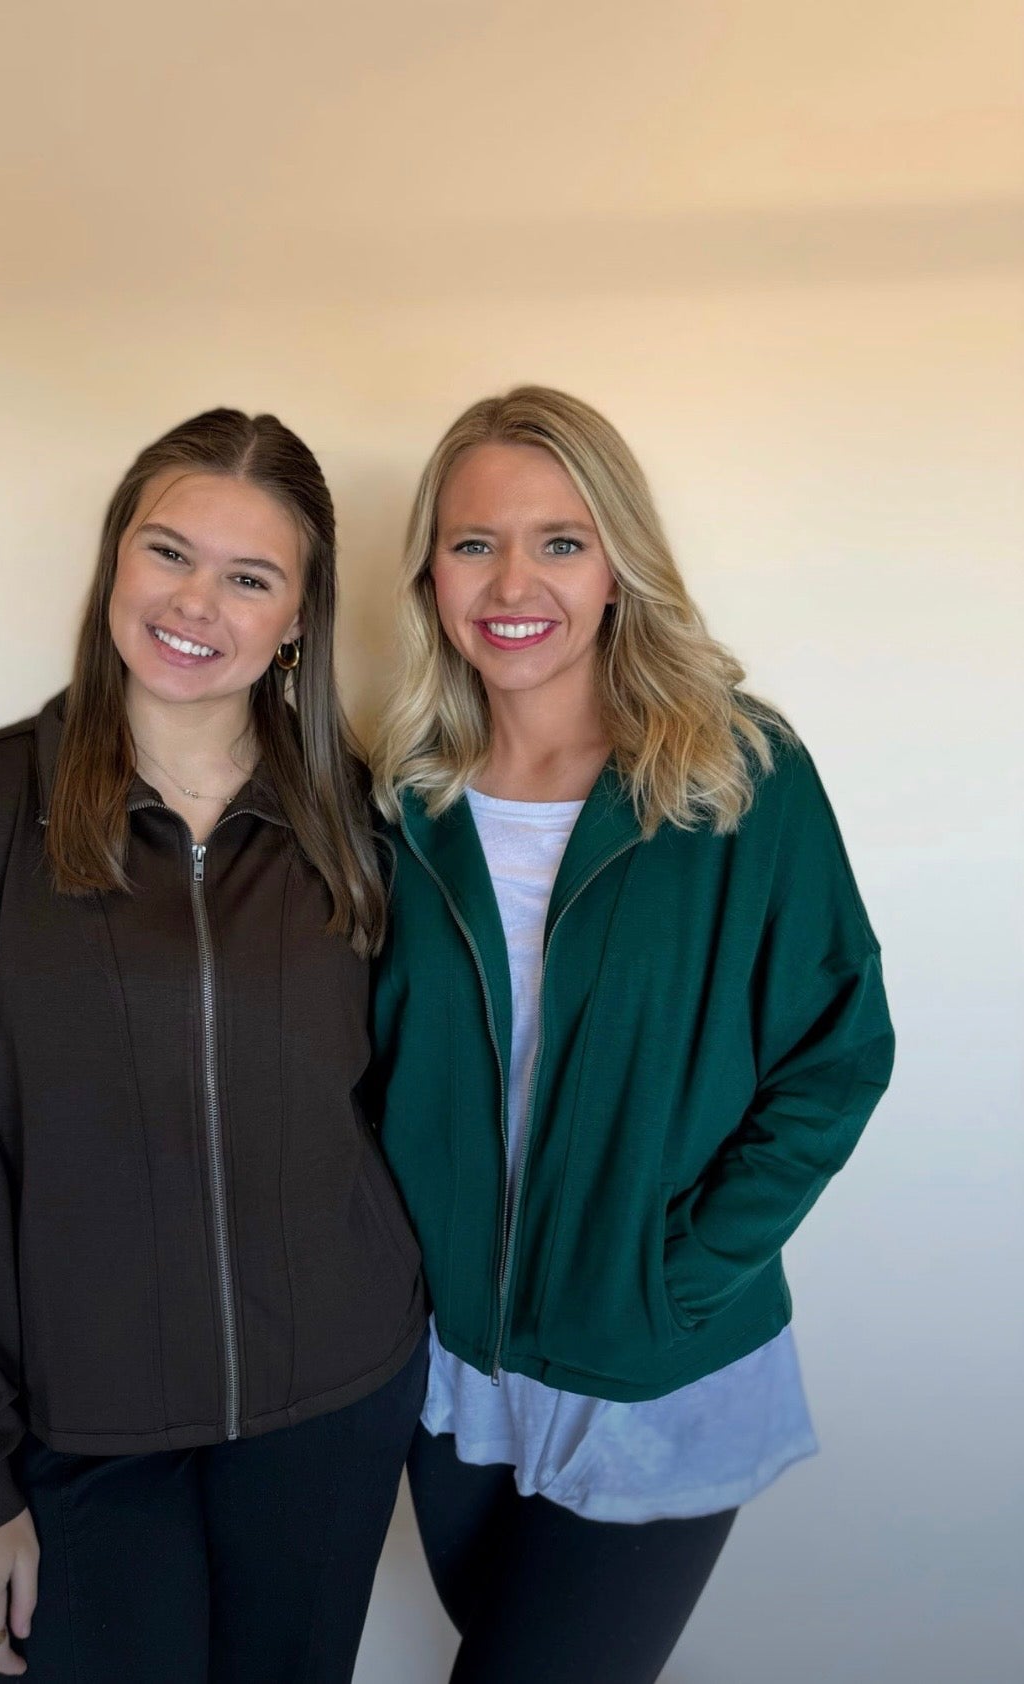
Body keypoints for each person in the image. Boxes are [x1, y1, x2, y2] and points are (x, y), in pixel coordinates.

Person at [0, 408, 427, 1683]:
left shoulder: (358, 817)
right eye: (168, 551)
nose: (196, 603)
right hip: (81, 1436)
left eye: (249, 576)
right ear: (115, 558)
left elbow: (409, 1098)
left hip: (334, 1404)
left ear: (297, 615)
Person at [367, 386, 895, 1684]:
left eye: (559, 540)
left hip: (650, 1363)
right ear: (430, 572)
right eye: (472, 540)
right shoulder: (404, 803)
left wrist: (682, 1272)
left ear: (618, 567)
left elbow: (838, 1047)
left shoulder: (732, 773)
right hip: (453, 1379)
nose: (512, 580)